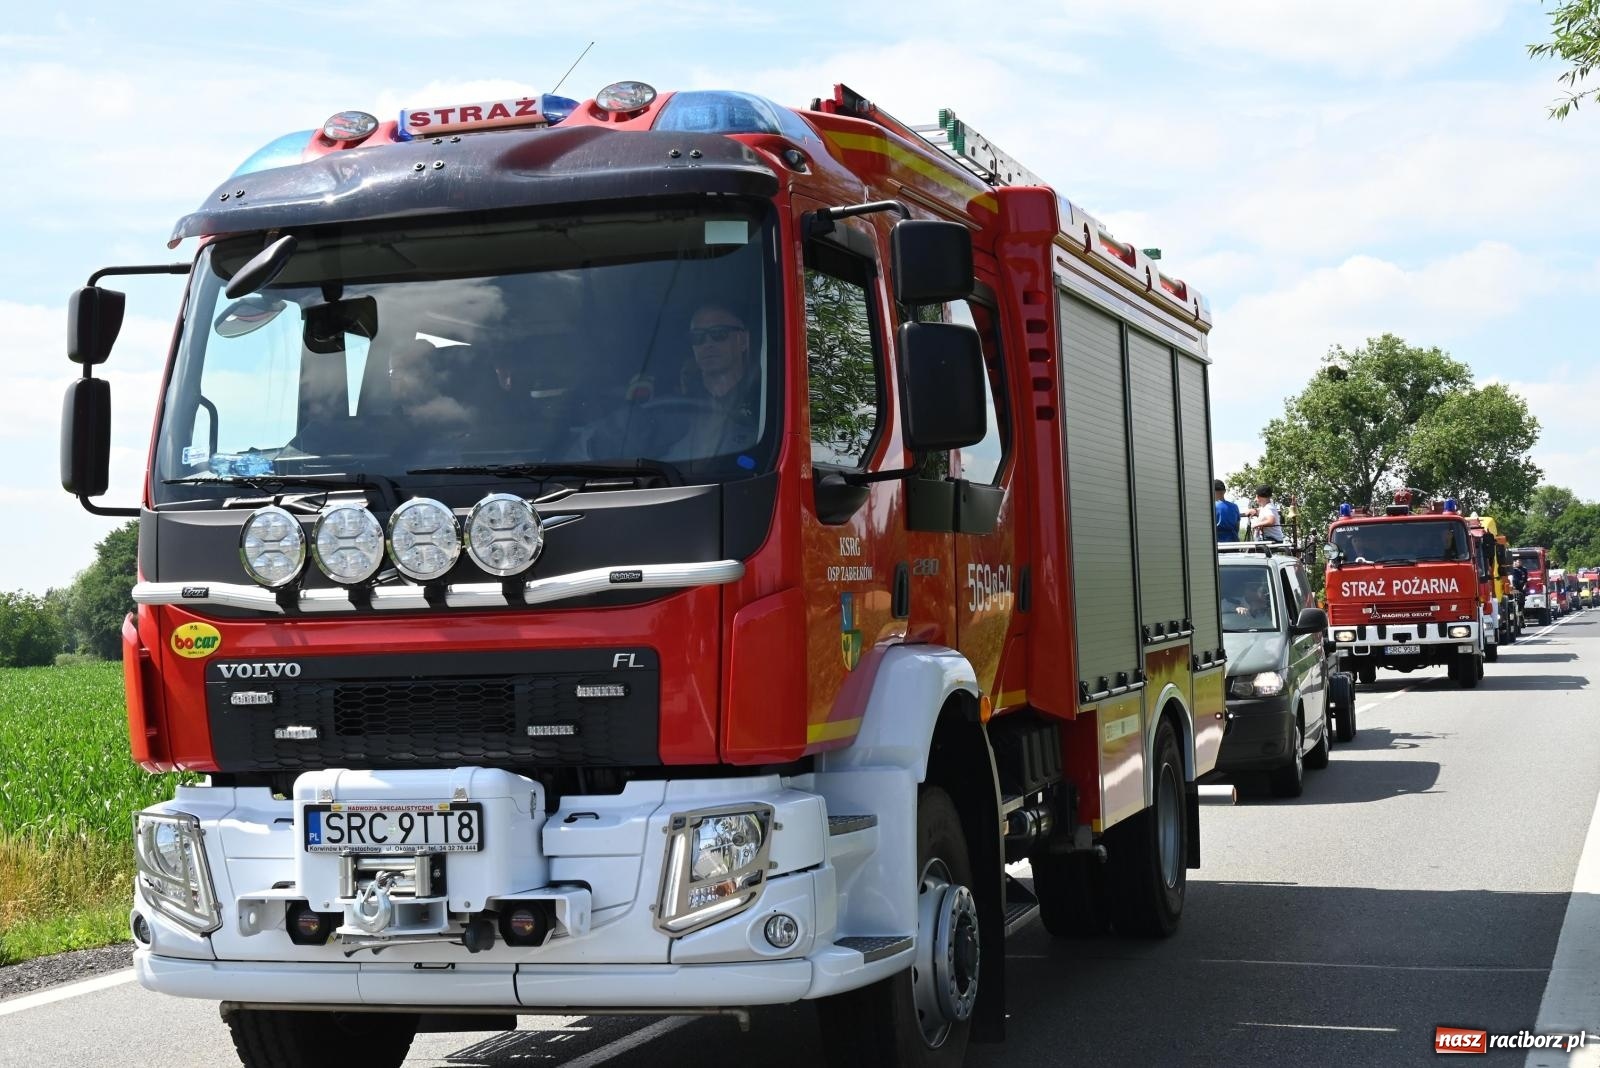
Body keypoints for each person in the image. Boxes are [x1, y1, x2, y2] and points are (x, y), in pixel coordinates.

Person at [673, 302, 762, 458]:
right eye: (697, 337)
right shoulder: (679, 406)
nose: (708, 344)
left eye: (719, 334)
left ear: (743, 341)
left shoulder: (766, 403)